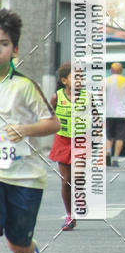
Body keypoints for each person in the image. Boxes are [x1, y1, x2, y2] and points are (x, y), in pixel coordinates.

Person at [0, 9, 60, 253]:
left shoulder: (24, 86)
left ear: (15, 50)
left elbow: (53, 123)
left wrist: (25, 129)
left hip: (25, 177)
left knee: (17, 243)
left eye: (3, 44)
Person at [48, 62, 79, 230]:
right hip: (62, 140)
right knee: (66, 181)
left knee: (77, 178)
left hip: (80, 142)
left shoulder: (87, 97)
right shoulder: (57, 97)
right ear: (64, 80)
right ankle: (69, 215)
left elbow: (96, 117)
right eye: (76, 77)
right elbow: (47, 114)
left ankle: (78, 202)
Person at [105, 62, 125, 165]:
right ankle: (115, 158)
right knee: (120, 137)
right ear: (121, 71)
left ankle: (108, 152)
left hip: (108, 113)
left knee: (109, 136)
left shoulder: (106, 81)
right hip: (121, 114)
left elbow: (100, 95)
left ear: (111, 70)